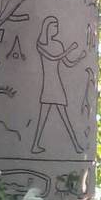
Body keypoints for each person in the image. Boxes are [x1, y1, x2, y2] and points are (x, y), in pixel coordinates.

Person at [32, 16, 86, 154]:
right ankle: (35, 145)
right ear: (47, 27)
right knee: (43, 117)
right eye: (54, 25)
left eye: (57, 25)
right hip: (48, 84)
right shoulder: (41, 45)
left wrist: (80, 57)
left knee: (64, 116)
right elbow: (52, 57)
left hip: (57, 84)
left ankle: (75, 145)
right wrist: (70, 49)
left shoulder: (58, 44)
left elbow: (68, 63)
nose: (56, 28)